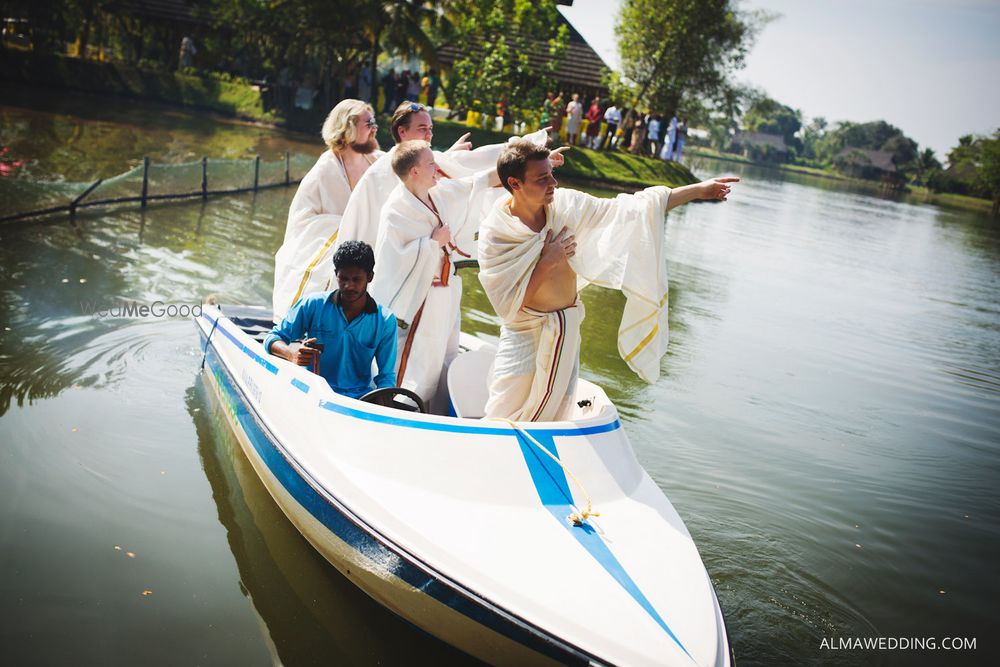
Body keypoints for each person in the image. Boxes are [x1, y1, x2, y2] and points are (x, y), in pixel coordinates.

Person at [477, 141, 739, 422]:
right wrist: (547, 261)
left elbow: (630, 209)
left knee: (557, 413)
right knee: (502, 413)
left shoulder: (565, 205)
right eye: (542, 178)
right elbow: (508, 307)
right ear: (515, 183)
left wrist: (697, 190)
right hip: (524, 334)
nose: (553, 182)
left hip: (566, 330)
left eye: (552, 173)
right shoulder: (497, 234)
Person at [336, 101, 549, 252]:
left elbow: (465, 166)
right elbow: (474, 164)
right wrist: (528, 150)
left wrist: (526, 152)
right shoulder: (391, 168)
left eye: (430, 128)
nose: (429, 134)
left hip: (399, 253)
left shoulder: (408, 163)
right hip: (383, 252)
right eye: (422, 129)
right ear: (402, 132)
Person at [271, 99, 383, 321]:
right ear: (347, 128)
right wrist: (348, 227)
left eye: (374, 122)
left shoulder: (375, 160)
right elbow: (303, 222)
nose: (375, 128)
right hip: (324, 247)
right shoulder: (327, 169)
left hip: (364, 249)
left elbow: (408, 162)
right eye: (368, 123)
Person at [264, 241, 397, 399]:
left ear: (370, 277)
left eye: (356, 280)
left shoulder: (385, 320)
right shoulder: (313, 305)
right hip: (309, 393)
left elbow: (386, 377)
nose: (348, 286)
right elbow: (272, 338)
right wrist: (291, 354)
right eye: (343, 279)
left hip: (358, 400)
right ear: (336, 274)